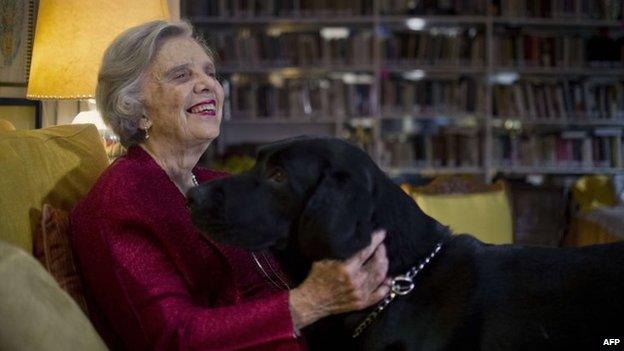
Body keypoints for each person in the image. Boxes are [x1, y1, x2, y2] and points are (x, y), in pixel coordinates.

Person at [71, 20, 390, 350]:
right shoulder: (122, 199)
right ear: (136, 111)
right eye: (182, 76)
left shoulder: (217, 184)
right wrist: (310, 302)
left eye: (209, 73)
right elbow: (174, 336)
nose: (207, 84)